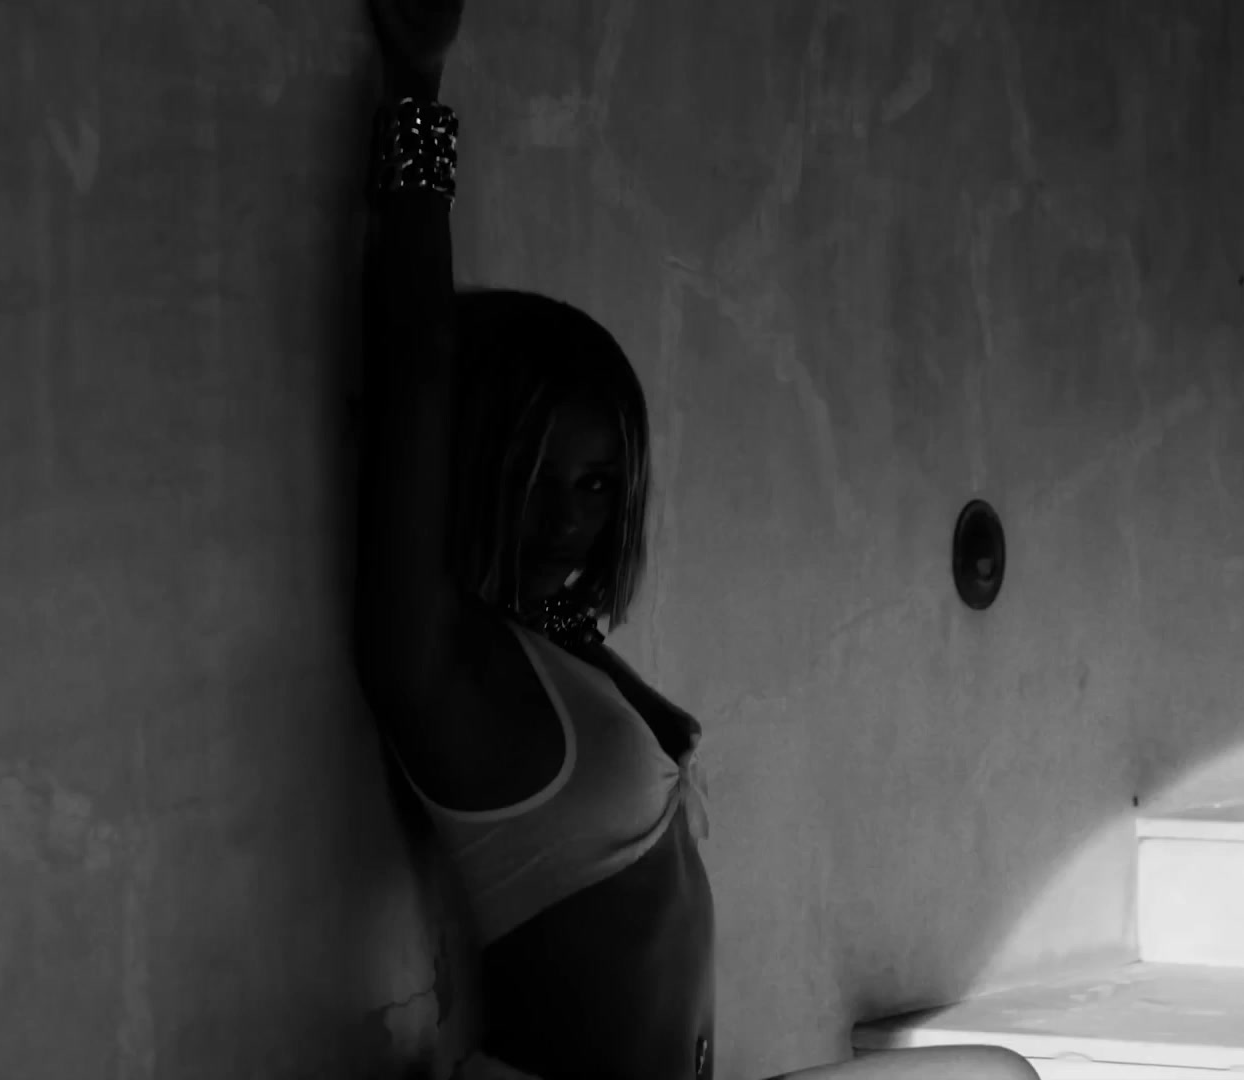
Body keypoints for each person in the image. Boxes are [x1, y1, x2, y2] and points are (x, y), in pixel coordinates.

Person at [353, 3, 1041, 1078]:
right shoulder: (440, 664)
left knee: (993, 1076)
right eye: (536, 480)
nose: (569, 518)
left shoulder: (555, 642)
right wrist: (418, 87)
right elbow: (417, 368)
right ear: (478, 469)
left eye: (597, 484)